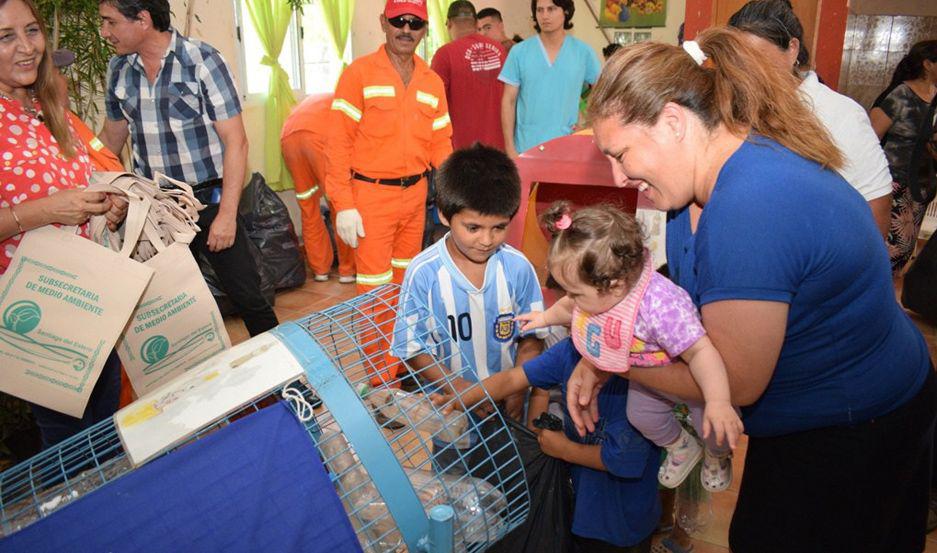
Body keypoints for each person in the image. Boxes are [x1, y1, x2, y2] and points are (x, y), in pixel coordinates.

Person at [570, 28, 936, 553]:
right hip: (821, 409)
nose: (619, 175)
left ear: (673, 122)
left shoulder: (749, 209)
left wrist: (608, 356)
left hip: (855, 427)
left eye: (621, 153)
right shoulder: (692, 189)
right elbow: (680, 301)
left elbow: (737, 384)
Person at [517, 203, 742, 492]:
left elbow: (701, 352)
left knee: (712, 427)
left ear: (615, 285)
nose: (570, 298)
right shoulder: (599, 296)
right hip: (646, 378)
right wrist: (543, 318)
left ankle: (717, 454)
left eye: (575, 292)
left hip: (693, 379)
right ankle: (682, 446)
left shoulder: (661, 307)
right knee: (641, 416)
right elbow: (568, 308)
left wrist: (719, 402)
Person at [97, 0, 278, 337]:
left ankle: (287, 382)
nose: (104, 32)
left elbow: (236, 142)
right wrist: (89, 183)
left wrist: (226, 214)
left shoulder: (202, 61)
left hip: (209, 202)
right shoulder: (119, 70)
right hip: (156, 211)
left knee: (249, 299)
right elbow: (111, 138)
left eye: (110, 22)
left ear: (143, 19)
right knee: (171, 307)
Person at [0, 0, 128, 448]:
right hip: (34, 312)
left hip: (89, 297)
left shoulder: (48, 107)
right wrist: (47, 210)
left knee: (105, 426)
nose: (26, 47)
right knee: (69, 445)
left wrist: (105, 203)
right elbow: (49, 204)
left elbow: (76, 183)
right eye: (6, 37)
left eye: (31, 31)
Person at [444, 337, 661, 553]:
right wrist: (459, 399)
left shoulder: (639, 373)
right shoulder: (571, 351)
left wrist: (564, 449)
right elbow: (512, 379)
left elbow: (625, 460)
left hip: (623, 519)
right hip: (582, 508)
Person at [391, 143, 545, 422]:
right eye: (473, 228)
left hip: (508, 410)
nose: (487, 240)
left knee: (510, 465)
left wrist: (517, 389)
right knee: (453, 466)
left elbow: (532, 338)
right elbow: (412, 349)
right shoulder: (424, 273)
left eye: (499, 227)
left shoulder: (518, 268)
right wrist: (461, 389)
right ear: (444, 215)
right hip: (451, 410)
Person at [728, 0, 893, 237]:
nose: (748, 73)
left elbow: (876, 203)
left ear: (792, 49)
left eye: (758, 59)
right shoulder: (732, 108)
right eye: (737, 62)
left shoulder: (840, 114)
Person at [327, 0, 452, 296]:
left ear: (425, 29)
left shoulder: (432, 82)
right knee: (375, 291)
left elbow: (440, 144)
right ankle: (375, 346)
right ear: (383, 22)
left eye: (415, 23)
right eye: (399, 21)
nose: (406, 29)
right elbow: (337, 144)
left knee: (407, 283)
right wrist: (343, 204)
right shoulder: (358, 74)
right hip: (371, 198)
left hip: (416, 197)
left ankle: (399, 343)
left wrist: (452, 195)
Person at [498, 0, 600, 158]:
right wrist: (510, 148)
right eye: (540, 10)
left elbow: (602, 92)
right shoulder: (519, 52)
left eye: (551, 9)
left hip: (568, 145)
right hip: (527, 146)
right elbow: (508, 101)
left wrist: (588, 124)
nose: (545, 16)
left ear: (565, 12)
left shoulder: (583, 52)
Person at [870, 40, 937, 274]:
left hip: (921, 185)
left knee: (906, 247)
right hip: (893, 182)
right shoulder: (900, 96)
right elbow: (871, 137)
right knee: (888, 247)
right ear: (928, 64)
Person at [281, 93, 355, 284]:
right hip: (319, 138)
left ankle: (320, 269)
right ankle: (347, 270)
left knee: (308, 207)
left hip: (288, 138)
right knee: (339, 205)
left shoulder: (321, 98)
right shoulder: (349, 102)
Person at [430, 0, 506, 150]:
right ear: (476, 23)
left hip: (462, 153)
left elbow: (433, 104)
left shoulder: (445, 54)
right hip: (499, 149)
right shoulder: (500, 50)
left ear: (449, 23)